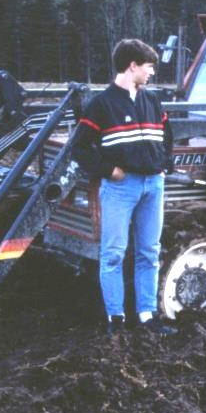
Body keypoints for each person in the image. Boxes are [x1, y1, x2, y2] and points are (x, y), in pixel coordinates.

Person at [73, 39, 177, 335]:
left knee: (149, 251)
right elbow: (79, 148)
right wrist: (108, 170)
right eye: (149, 67)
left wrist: (164, 165)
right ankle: (115, 320)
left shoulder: (153, 101)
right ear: (132, 66)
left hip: (153, 186)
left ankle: (148, 316)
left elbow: (167, 138)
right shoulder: (101, 105)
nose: (152, 73)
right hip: (121, 188)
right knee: (113, 254)